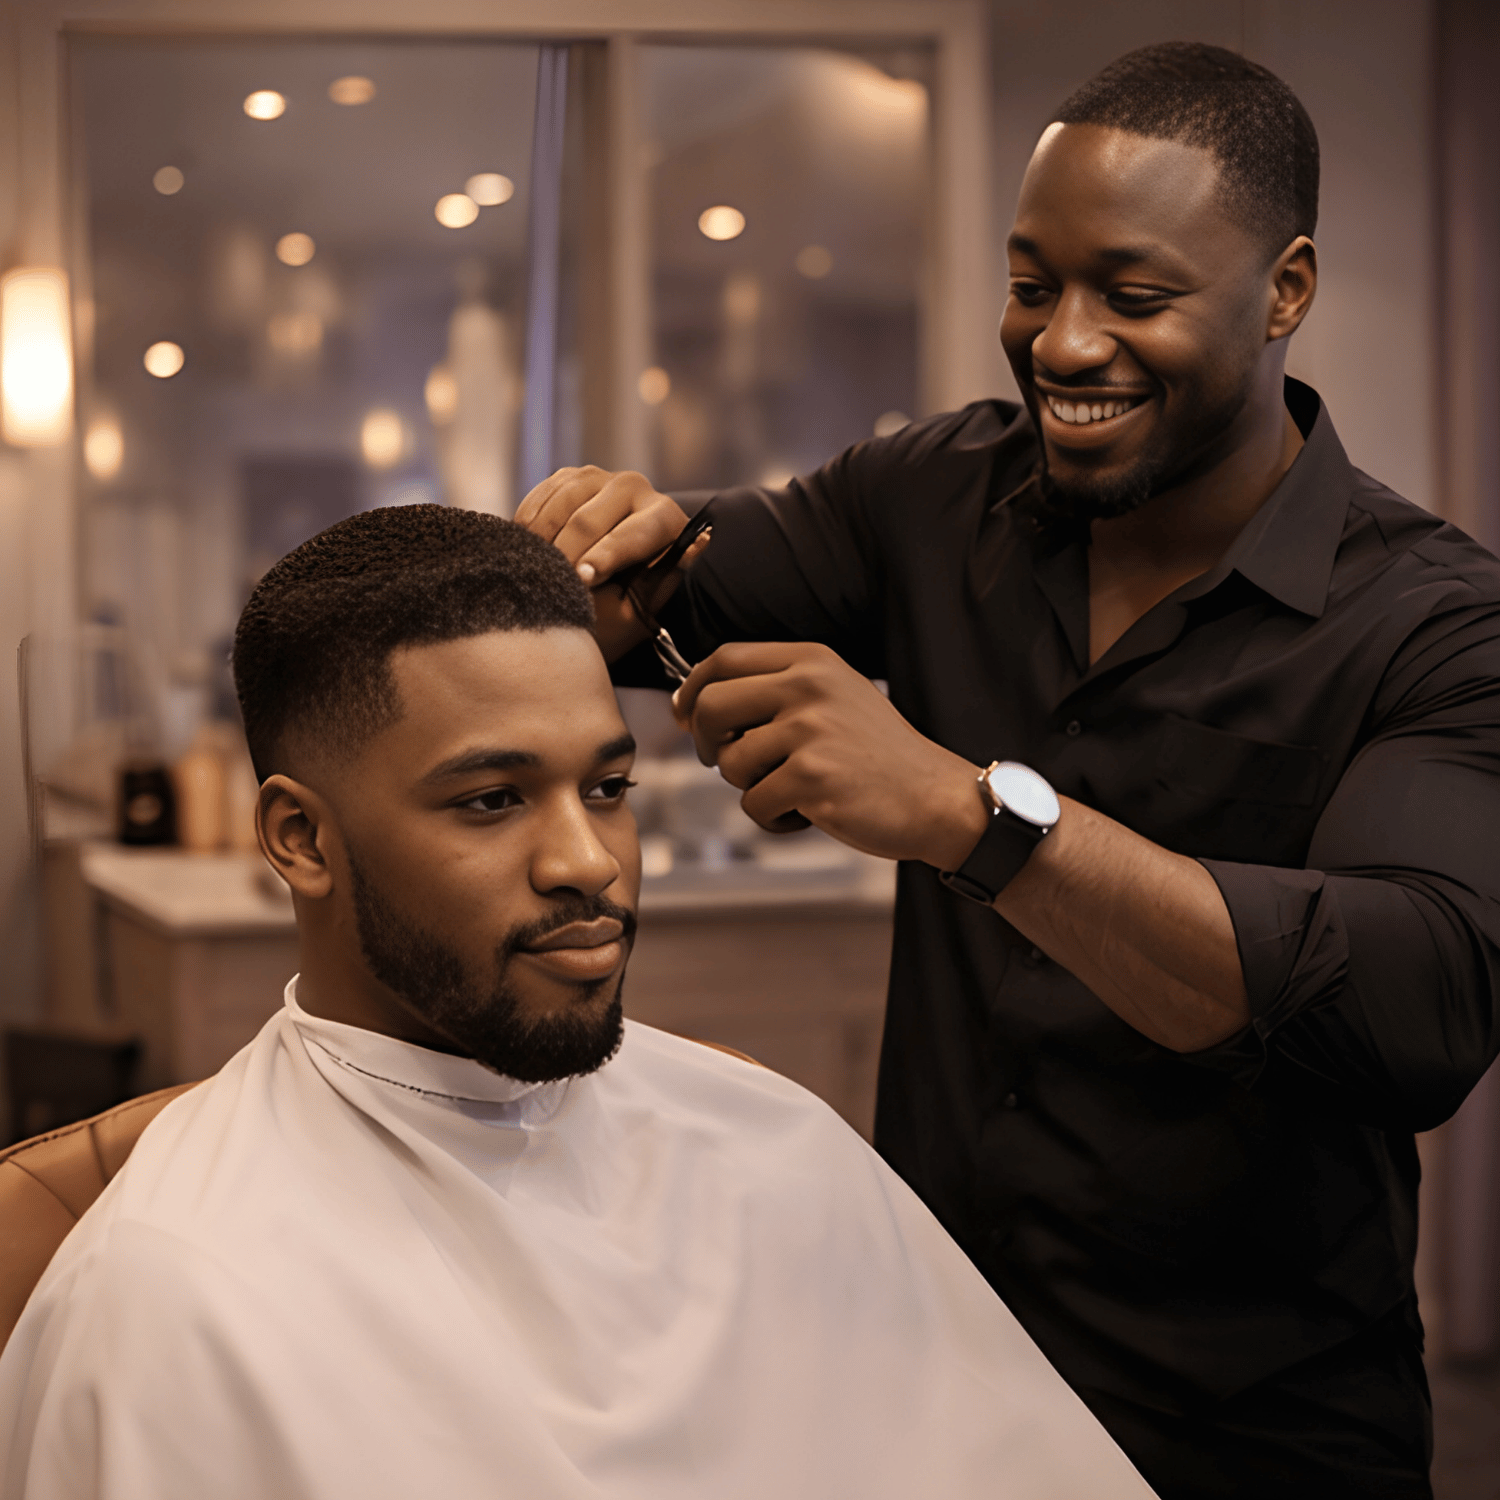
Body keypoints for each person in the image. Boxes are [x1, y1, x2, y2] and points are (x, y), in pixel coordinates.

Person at [518, 41, 1500, 1500]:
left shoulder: (1433, 621)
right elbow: (661, 591)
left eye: (1134, 294)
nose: (1062, 341)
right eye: (1034, 283)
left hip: (1251, 1427)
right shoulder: (933, 496)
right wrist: (595, 563)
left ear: (1285, 290)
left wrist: (977, 817)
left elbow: (1414, 1005)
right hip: (932, 1382)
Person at [0, 507, 1154, 1500]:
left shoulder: (772, 1151)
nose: (589, 861)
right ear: (301, 839)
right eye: (494, 800)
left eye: (608, 789)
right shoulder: (179, 1295)